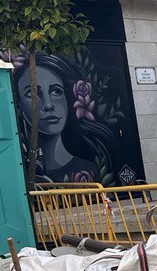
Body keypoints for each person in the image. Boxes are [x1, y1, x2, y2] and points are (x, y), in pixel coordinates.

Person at [12, 53, 119, 184]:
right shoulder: (14, 172)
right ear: (18, 103)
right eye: (33, 94)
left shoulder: (91, 169)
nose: (48, 105)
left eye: (56, 91)